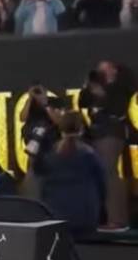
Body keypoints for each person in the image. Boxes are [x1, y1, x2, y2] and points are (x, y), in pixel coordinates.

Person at [78, 61, 136, 231]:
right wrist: (88, 86)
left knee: (109, 172)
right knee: (103, 174)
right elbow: (82, 102)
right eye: (99, 69)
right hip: (96, 132)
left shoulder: (121, 87)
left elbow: (116, 107)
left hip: (112, 132)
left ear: (114, 70)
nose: (100, 72)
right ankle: (106, 217)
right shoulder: (96, 86)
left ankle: (118, 220)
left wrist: (101, 92)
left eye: (104, 69)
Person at [34, 111, 106, 236]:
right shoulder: (89, 155)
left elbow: (41, 182)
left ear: (61, 129)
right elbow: (102, 187)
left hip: (55, 218)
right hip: (85, 218)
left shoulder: (49, 156)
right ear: (82, 129)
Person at [19, 83, 65, 199]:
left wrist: (45, 104)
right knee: (33, 182)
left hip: (51, 147)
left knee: (52, 179)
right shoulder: (31, 104)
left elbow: (58, 121)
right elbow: (22, 118)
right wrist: (30, 99)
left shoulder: (54, 102)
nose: (38, 94)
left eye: (40, 91)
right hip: (34, 149)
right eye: (36, 91)